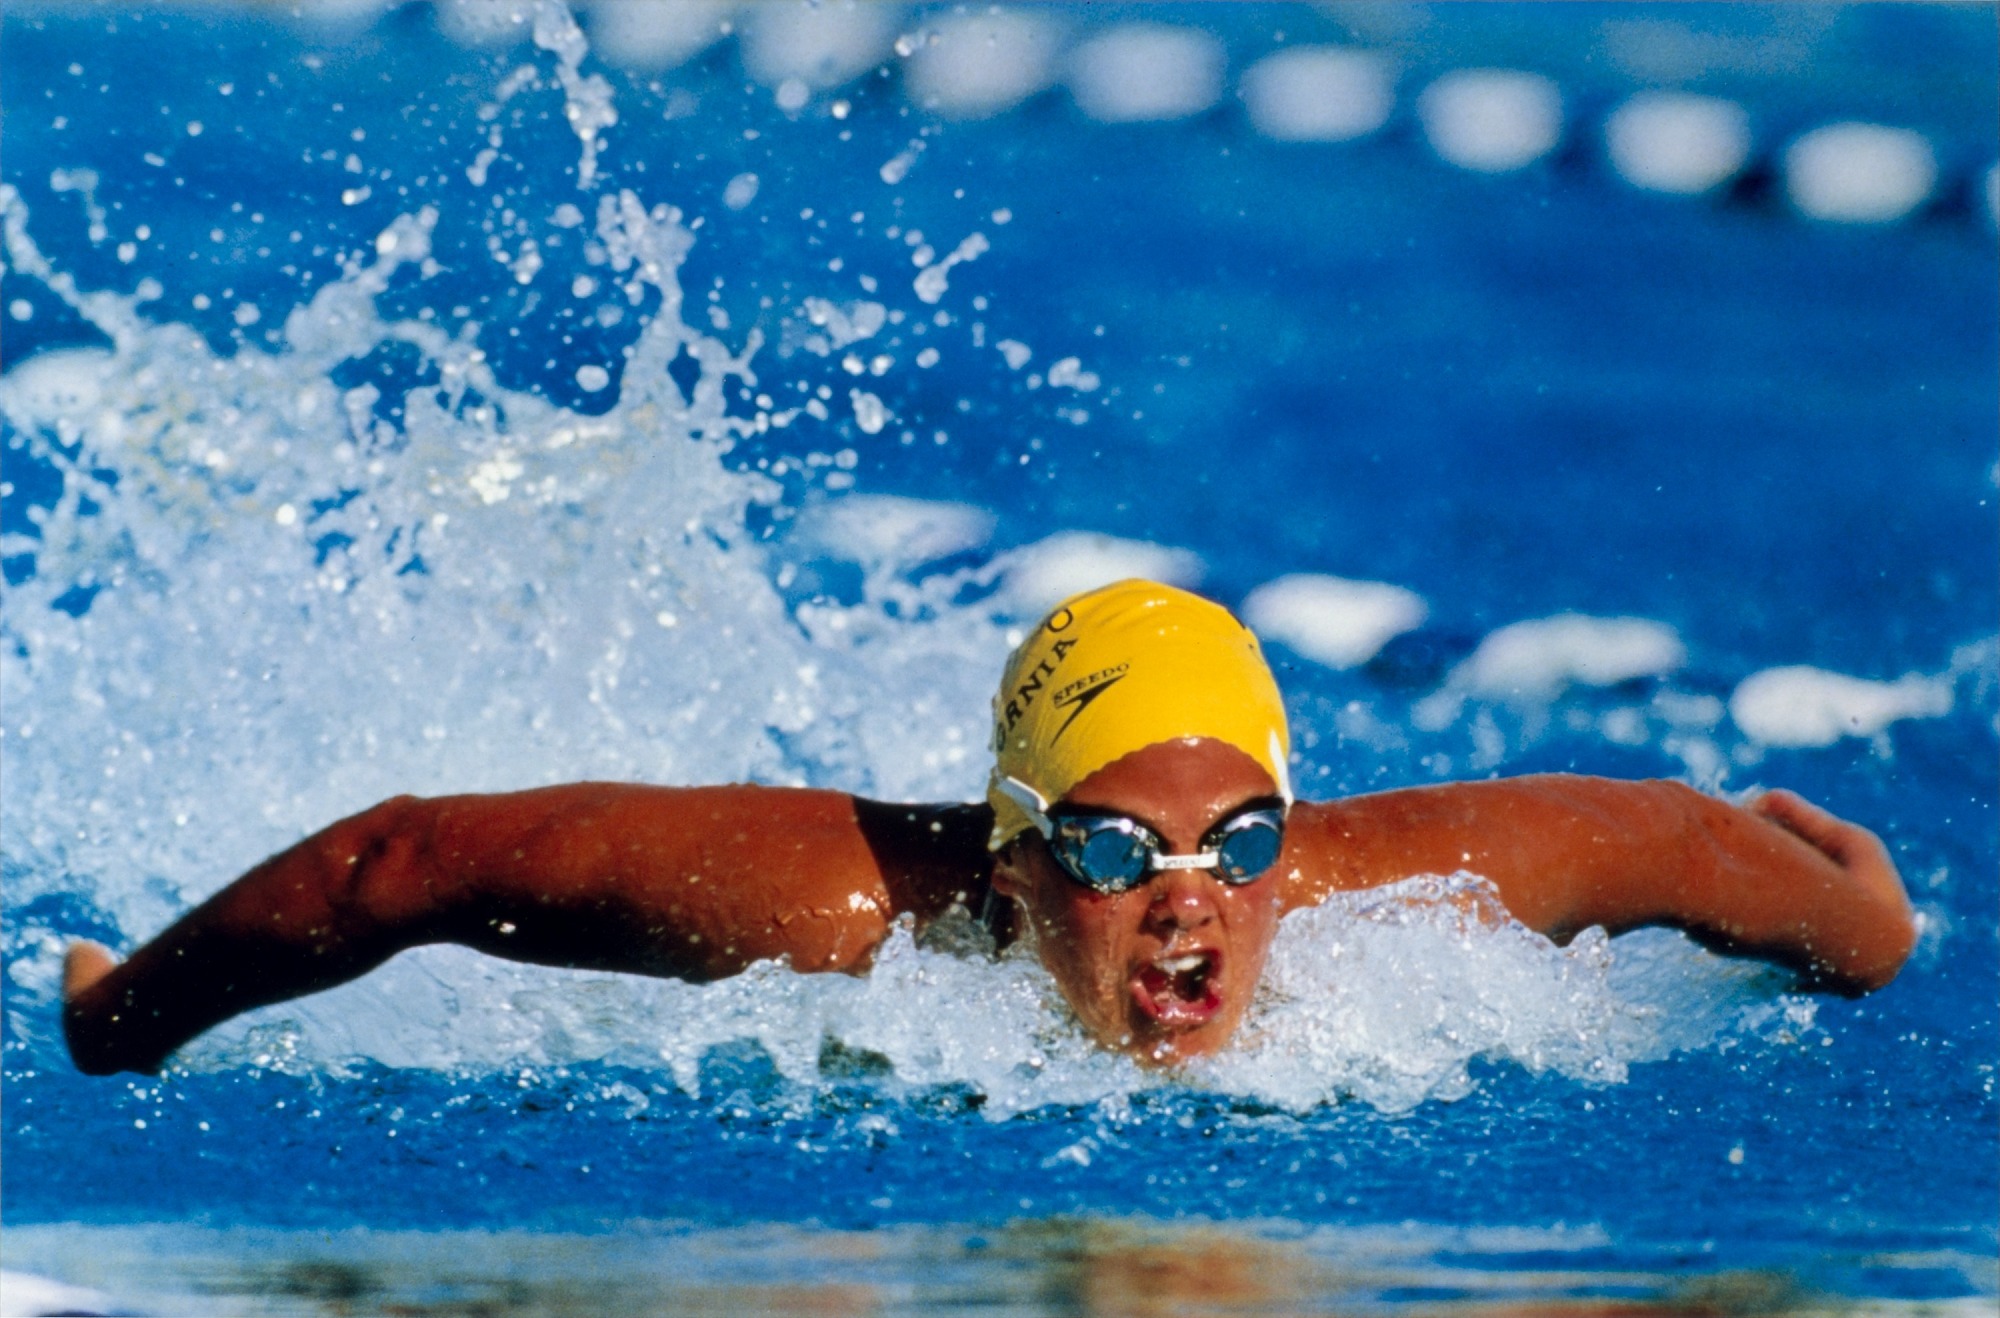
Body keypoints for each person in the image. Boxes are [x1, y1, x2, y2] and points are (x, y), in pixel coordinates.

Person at [62, 580, 1917, 1075]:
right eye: (1115, 850)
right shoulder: (844, 910)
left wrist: (1870, 922)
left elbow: (1681, 842)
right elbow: (411, 860)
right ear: (1016, 849)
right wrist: (118, 1021)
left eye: (1240, 842)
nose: (1191, 900)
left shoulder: (1396, 886)